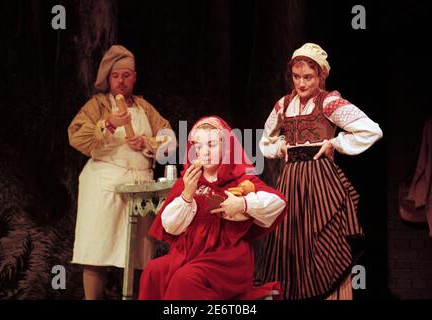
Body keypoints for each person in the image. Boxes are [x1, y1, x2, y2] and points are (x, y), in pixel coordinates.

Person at [258, 43, 383, 300]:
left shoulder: (329, 102)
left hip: (320, 181)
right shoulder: (284, 105)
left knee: (322, 239)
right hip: (291, 181)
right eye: (296, 76)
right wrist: (280, 146)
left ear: (320, 76)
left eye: (308, 77)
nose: (301, 83)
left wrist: (334, 143)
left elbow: (371, 130)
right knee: (291, 243)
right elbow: (265, 141)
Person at [139, 116, 287, 300]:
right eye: (199, 146)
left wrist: (243, 204)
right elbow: (170, 226)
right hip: (189, 253)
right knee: (153, 270)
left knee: (186, 279)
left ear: (226, 147)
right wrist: (187, 194)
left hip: (227, 258)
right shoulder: (189, 181)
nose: (205, 152)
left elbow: (278, 202)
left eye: (212, 145)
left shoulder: (240, 179)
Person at [68, 45, 175, 300]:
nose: (121, 81)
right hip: (104, 184)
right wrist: (107, 124)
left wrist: (147, 142)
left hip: (139, 187)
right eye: (116, 76)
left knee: (138, 254)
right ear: (108, 78)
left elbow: (168, 137)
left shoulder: (145, 108)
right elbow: (76, 135)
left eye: (126, 75)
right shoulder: (98, 105)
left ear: (134, 77)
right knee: (98, 250)